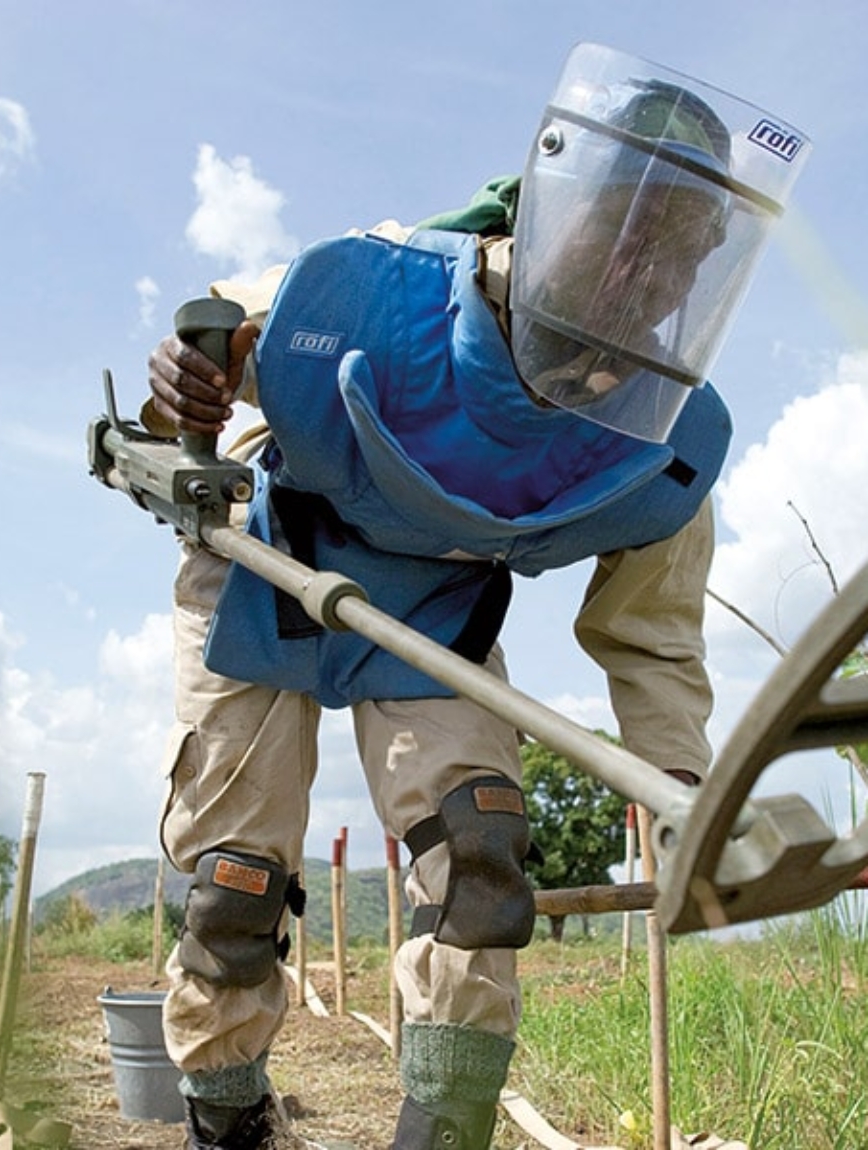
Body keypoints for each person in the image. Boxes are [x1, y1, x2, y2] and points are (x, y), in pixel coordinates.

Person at [142, 43, 805, 1150]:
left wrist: (679, 788)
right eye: (627, 225)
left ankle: (442, 1128)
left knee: (481, 861)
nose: (644, 270)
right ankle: (226, 1111)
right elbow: (217, 341)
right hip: (269, 557)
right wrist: (187, 379)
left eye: (682, 252)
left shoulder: (658, 444)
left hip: (428, 608)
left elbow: (652, 635)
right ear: (558, 205)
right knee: (234, 880)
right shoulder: (374, 286)